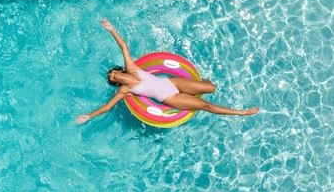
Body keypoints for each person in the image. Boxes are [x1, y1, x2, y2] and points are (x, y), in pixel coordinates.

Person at [76, 20, 259, 124]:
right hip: (169, 98)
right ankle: (242, 113)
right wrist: (89, 116)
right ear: (116, 83)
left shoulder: (132, 68)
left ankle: (202, 83)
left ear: (118, 70)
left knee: (211, 88)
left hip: (172, 82)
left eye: (113, 73)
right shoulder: (125, 91)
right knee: (206, 106)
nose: (113, 76)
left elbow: (123, 45)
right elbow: (108, 106)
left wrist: (111, 29)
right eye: (112, 79)